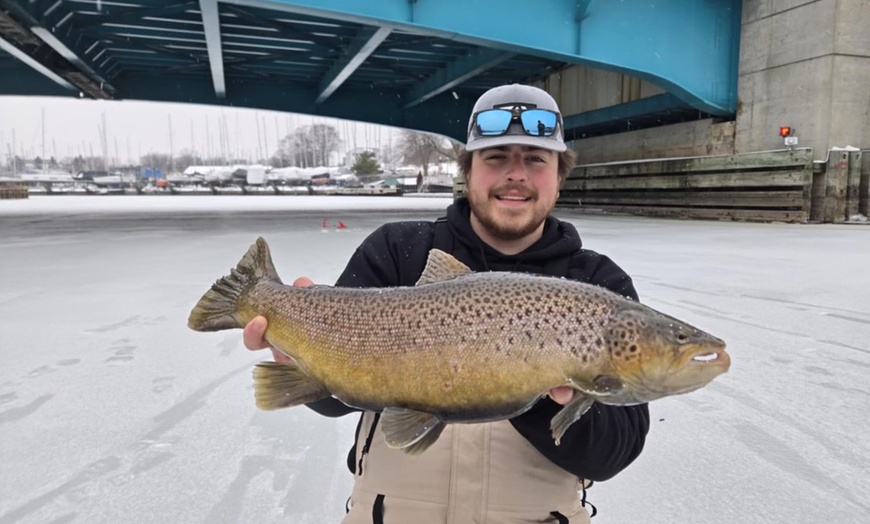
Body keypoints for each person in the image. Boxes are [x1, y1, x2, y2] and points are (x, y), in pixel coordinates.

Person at [243, 84, 650, 523]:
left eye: (535, 159)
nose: (516, 174)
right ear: (468, 170)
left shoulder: (595, 283)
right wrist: (298, 350)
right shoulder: (397, 250)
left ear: (559, 174)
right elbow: (336, 401)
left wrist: (536, 388)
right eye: (496, 158)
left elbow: (612, 455)